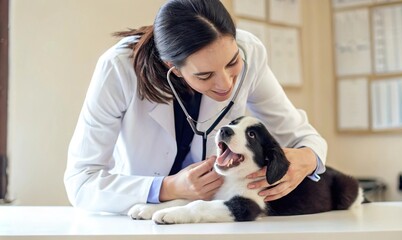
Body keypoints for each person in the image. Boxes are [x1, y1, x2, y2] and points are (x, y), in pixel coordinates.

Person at [64, 0, 327, 214]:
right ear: (173, 68)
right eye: (204, 75)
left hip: (214, 217)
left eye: (232, 62)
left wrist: (307, 159)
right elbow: (82, 181)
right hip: (142, 220)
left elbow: (302, 136)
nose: (225, 84)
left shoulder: (251, 52)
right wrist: (168, 188)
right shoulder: (118, 70)